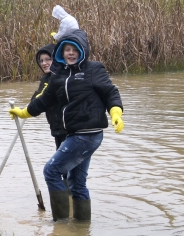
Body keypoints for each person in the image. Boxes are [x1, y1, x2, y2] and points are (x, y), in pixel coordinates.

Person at [9, 28, 124, 222]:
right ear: (61, 52)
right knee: (77, 183)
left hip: (88, 133)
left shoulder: (94, 69)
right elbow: (44, 101)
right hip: (73, 134)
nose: (70, 53)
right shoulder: (58, 75)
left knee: (51, 171)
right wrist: (23, 112)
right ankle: (80, 227)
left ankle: (60, 226)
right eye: (66, 49)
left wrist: (116, 112)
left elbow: (110, 92)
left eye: (74, 49)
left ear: (82, 50)